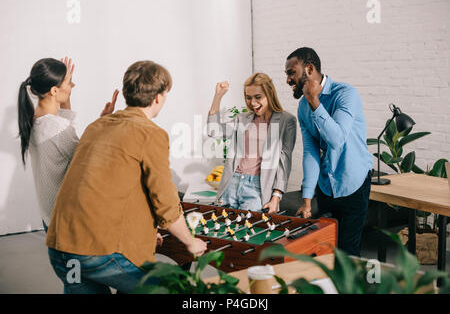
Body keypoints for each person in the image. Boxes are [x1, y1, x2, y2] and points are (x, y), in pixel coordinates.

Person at [46, 60, 207, 294]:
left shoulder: (97, 125)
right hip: (99, 254)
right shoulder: (151, 133)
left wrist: (143, 234)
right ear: (159, 97)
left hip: (62, 249)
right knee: (179, 290)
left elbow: (108, 186)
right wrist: (190, 241)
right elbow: (165, 200)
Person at [285, 47, 373, 256]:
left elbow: (337, 139)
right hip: (325, 187)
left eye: (291, 73)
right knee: (325, 249)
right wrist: (307, 199)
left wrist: (314, 101)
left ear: (309, 68)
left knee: (348, 252)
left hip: (353, 182)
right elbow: (311, 152)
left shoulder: (345, 94)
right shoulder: (302, 107)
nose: (288, 80)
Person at [17, 57, 117, 233]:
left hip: (48, 216)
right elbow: (87, 158)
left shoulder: (34, 122)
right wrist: (105, 122)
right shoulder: (57, 128)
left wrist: (66, 90)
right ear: (54, 91)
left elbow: (64, 126)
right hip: (65, 218)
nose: (72, 87)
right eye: (69, 83)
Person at [207, 73, 297, 213]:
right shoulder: (242, 118)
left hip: (257, 188)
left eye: (258, 97)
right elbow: (214, 131)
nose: (253, 103)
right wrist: (218, 96)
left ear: (270, 93)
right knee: (222, 230)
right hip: (231, 182)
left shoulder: (287, 120)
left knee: (248, 231)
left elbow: (284, 161)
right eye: (249, 98)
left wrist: (276, 197)